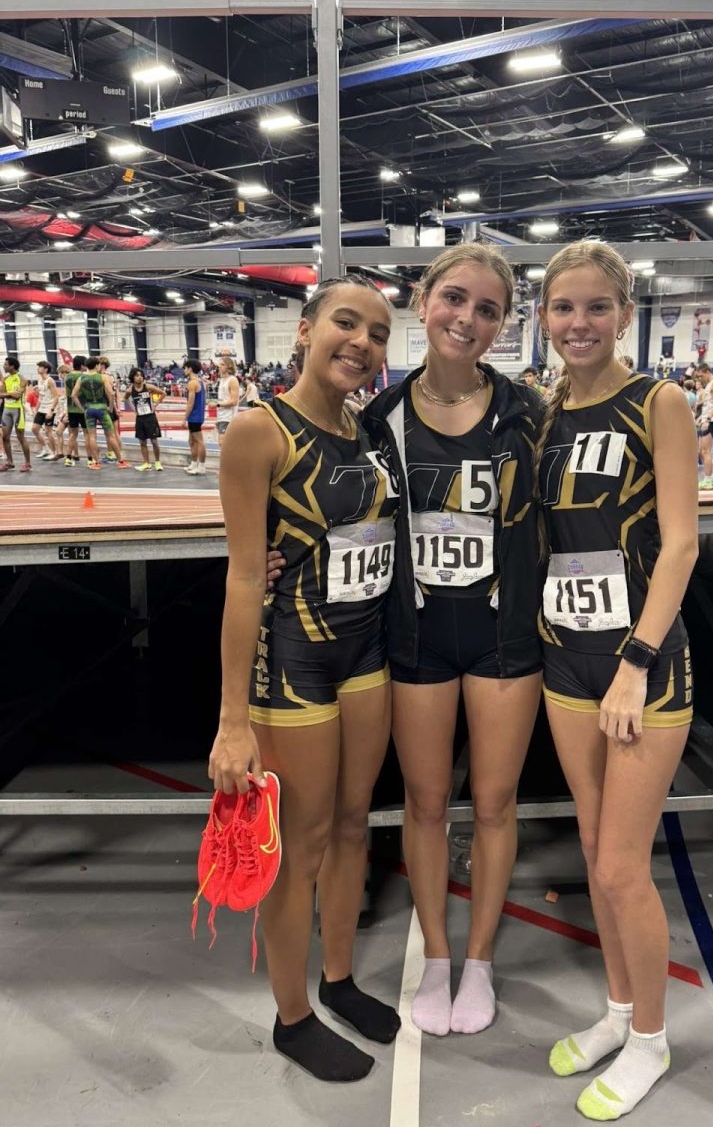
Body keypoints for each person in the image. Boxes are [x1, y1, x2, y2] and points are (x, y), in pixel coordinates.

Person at [266, 244, 546, 1036]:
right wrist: (270, 547)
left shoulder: (529, 410)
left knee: (492, 804)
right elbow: (327, 502)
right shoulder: (375, 422)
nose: (468, 318)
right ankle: (433, 951)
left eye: (488, 309)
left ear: (501, 325)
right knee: (424, 805)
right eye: (455, 298)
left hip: (504, 639)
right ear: (425, 303)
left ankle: (479, 958)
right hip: (413, 639)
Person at [208, 275, 401, 1084]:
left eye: (379, 332)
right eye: (346, 324)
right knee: (303, 845)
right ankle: (293, 1017)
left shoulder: (366, 432)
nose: (361, 342)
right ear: (306, 329)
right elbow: (244, 579)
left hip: (366, 656)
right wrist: (232, 720)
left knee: (356, 825)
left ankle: (339, 977)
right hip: (292, 664)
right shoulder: (261, 431)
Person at [534, 242, 697, 1121]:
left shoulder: (657, 402)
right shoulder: (545, 410)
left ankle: (652, 1042)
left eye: (597, 308)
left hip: (641, 668)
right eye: (564, 309)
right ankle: (619, 1011)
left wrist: (635, 663)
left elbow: (680, 544)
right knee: (597, 859)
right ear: (546, 317)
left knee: (627, 868)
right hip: (566, 661)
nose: (579, 324)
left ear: (626, 315)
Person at [72, 357, 130, 470]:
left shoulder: (81, 378)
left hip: (89, 409)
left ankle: (96, 462)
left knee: (92, 436)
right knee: (111, 435)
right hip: (102, 408)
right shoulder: (103, 377)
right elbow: (111, 394)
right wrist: (111, 407)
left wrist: (82, 409)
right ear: (97, 365)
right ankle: (121, 461)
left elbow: (74, 395)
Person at [125, 368, 165, 471]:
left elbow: (163, 393)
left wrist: (155, 405)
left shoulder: (148, 387)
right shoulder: (130, 390)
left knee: (154, 441)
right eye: (137, 375)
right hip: (140, 418)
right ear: (133, 377)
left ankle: (157, 462)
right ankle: (146, 463)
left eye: (141, 375)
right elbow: (125, 399)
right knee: (142, 442)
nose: (140, 377)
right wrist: (134, 409)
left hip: (150, 417)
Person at [1, 356, 32, 472]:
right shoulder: (5, 379)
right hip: (7, 410)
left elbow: (17, 396)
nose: (4, 367)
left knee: (20, 436)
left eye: (6, 365)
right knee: (5, 437)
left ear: (12, 366)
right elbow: (1, 394)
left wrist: (6, 394)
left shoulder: (22, 379)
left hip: (18, 410)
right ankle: (9, 462)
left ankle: (28, 463)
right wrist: (10, 394)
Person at [694, 362, 713, 490]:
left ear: (706, 371)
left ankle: (708, 479)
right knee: (700, 451)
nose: (700, 379)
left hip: (710, 421)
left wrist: (708, 419)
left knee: (706, 451)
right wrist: (700, 418)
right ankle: (712, 476)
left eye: (700, 376)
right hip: (704, 419)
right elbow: (707, 405)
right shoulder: (708, 385)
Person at [63, 356, 89, 467]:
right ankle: (90, 459)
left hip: (71, 409)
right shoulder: (84, 376)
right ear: (82, 365)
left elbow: (67, 393)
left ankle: (68, 458)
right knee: (88, 434)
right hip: (83, 409)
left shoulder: (67, 376)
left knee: (73, 434)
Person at [183, 359, 207, 474]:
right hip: (198, 415)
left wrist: (184, 418)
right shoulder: (201, 381)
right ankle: (193, 464)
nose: (184, 370)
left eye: (185, 368)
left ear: (190, 369)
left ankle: (201, 466)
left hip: (194, 416)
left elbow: (190, 403)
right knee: (191, 441)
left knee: (199, 441)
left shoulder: (192, 383)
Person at [32, 360, 59, 460]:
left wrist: (51, 410)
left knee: (48, 432)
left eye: (40, 367)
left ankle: (54, 452)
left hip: (49, 409)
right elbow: (41, 396)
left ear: (45, 369)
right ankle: (46, 449)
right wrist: (36, 408)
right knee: (34, 429)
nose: (38, 369)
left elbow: (56, 396)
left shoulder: (50, 380)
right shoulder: (40, 380)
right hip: (42, 408)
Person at [215, 356, 240, 436]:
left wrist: (217, 404)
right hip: (221, 415)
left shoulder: (232, 380)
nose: (219, 366)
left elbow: (234, 401)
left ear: (229, 366)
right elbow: (224, 398)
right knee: (223, 444)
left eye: (222, 364)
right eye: (219, 364)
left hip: (228, 417)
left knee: (223, 443)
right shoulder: (222, 380)